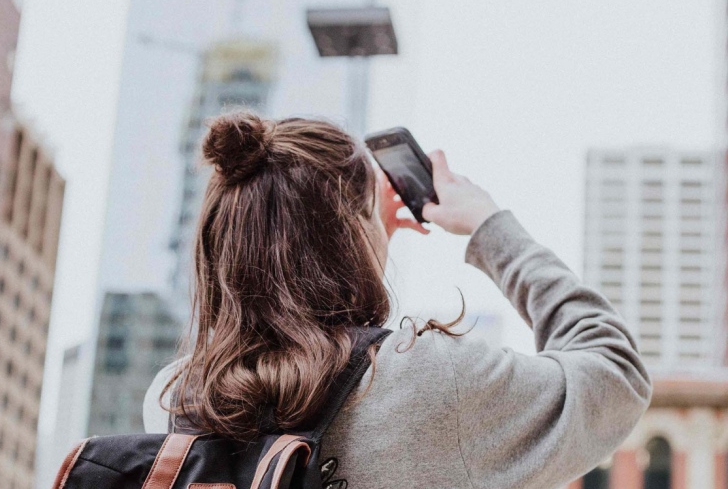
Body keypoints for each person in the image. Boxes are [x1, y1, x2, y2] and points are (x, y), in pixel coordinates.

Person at [143, 112, 651, 489]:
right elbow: (615, 375)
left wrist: (365, 234)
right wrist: (488, 225)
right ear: (350, 235)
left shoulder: (174, 398)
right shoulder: (429, 380)